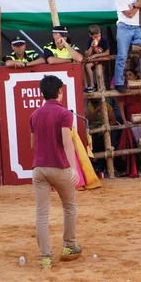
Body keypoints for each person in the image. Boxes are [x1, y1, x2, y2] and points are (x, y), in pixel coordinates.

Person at [30, 75, 82, 269]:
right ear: (60, 91)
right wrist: (73, 167)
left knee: (41, 214)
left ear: (42, 93)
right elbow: (67, 141)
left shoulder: (34, 115)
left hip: (39, 169)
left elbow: (32, 144)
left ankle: (45, 257)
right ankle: (69, 246)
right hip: (59, 167)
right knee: (69, 207)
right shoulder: (64, 114)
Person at [83, 24, 110, 92]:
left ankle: (96, 85)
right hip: (93, 60)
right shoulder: (89, 40)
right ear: (90, 35)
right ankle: (89, 85)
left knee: (89, 67)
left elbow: (107, 53)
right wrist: (91, 47)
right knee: (84, 66)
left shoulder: (104, 39)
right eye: (95, 37)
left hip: (102, 59)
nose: (97, 38)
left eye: (99, 36)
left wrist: (95, 56)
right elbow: (86, 55)